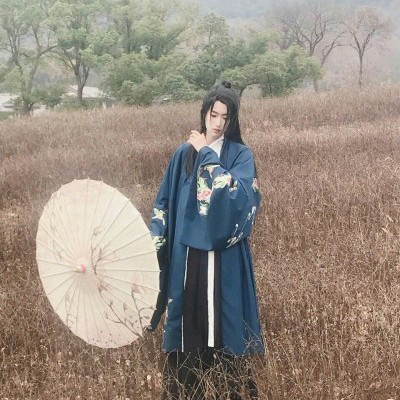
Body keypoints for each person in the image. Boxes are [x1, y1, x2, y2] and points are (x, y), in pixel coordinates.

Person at [147, 80, 264, 399]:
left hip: (225, 262)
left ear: (233, 120)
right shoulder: (182, 154)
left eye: (225, 117)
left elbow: (238, 200)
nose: (218, 123)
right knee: (188, 328)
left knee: (226, 326)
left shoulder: (240, 155)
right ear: (204, 114)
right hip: (188, 260)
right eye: (213, 115)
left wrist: (207, 155)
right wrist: (152, 246)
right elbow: (163, 204)